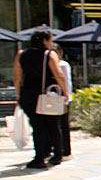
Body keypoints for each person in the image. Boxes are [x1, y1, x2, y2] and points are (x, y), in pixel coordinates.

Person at [12, 30, 68, 169]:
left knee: (37, 126)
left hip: (28, 94)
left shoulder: (21, 54)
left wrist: (19, 95)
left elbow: (17, 77)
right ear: (44, 41)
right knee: (53, 125)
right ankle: (57, 155)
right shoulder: (49, 54)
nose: (51, 43)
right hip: (47, 94)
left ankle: (39, 156)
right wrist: (65, 92)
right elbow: (59, 74)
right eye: (50, 40)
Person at [53, 43, 72, 158]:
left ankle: (65, 149)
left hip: (62, 98)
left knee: (63, 125)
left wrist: (66, 98)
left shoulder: (63, 65)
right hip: (54, 97)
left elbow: (67, 82)